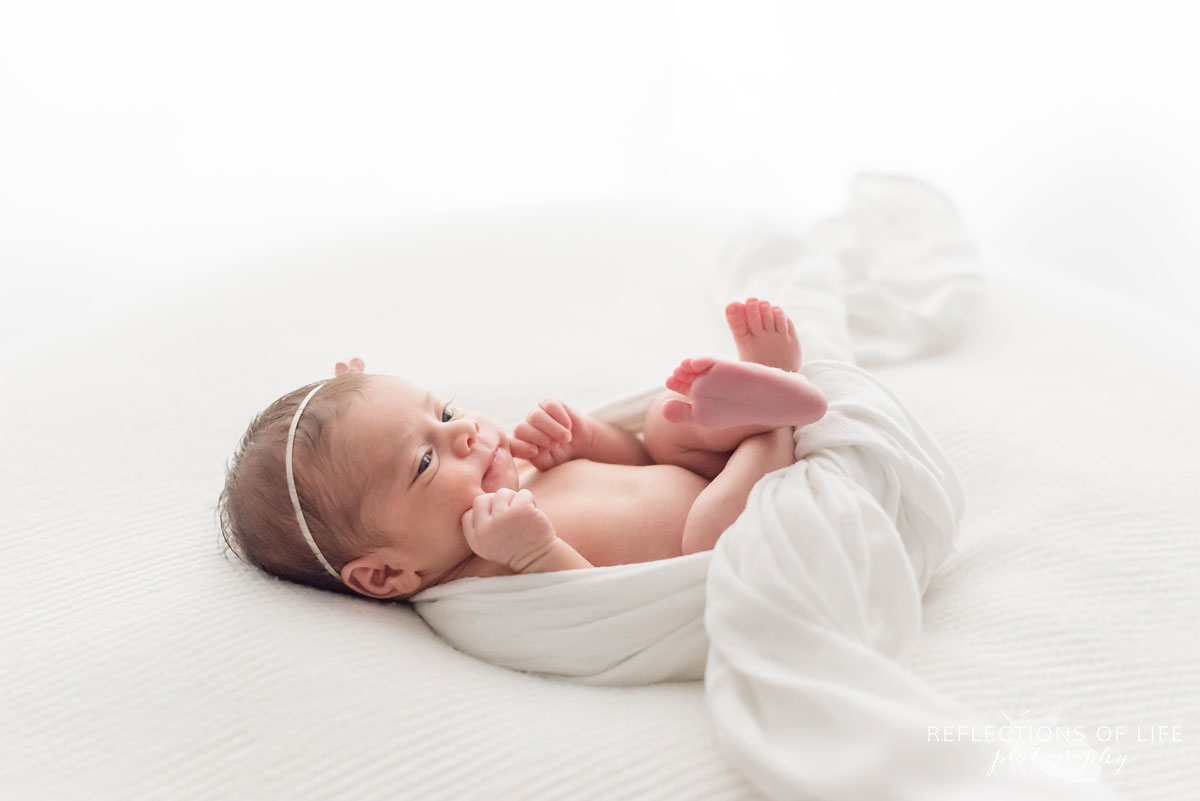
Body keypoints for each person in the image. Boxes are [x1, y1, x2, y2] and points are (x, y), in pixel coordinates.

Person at [217, 298, 827, 600]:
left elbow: (640, 461)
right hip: (716, 533)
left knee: (663, 423)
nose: (465, 433)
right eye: (426, 462)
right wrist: (538, 553)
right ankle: (772, 427)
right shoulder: (488, 575)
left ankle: (755, 407)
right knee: (709, 534)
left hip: (692, 469)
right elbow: (599, 612)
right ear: (385, 574)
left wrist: (587, 440)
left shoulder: (510, 481)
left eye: (446, 412)